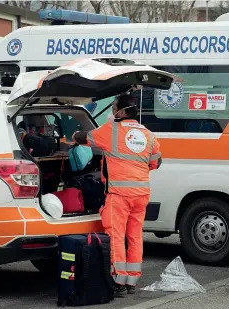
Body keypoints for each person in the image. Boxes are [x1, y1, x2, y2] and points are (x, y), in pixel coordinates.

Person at [72, 94, 162, 297]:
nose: (112, 110)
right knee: (135, 236)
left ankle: (118, 281)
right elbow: (156, 162)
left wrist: (73, 135)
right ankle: (132, 281)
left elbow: (85, 138)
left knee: (116, 236)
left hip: (119, 195)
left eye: (113, 107)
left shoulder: (111, 130)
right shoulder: (148, 134)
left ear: (122, 110)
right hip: (141, 194)